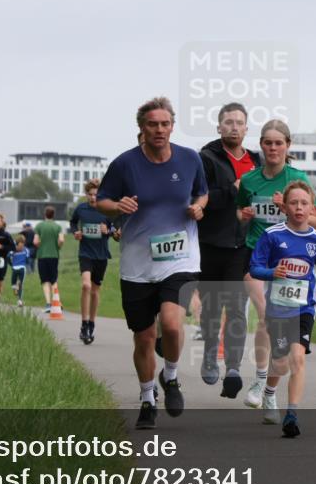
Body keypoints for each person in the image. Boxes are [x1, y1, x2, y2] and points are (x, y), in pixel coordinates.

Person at [97, 96, 208, 430]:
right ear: (141, 128)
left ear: (172, 126)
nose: (159, 129)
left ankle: (170, 377)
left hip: (180, 259)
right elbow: (101, 201)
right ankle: (147, 399)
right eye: (152, 124)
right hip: (138, 264)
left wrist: (199, 207)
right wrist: (117, 206)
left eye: (165, 124)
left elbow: (202, 192)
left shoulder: (190, 159)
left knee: (172, 324)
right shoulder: (124, 164)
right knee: (144, 337)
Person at [236, 120, 316, 413]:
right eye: (268, 143)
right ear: (261, 145)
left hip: (290, 263)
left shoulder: (297, 178)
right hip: (257, 256)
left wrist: (286, 208)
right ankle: (261, 380)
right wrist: (243, 215)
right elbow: (238, 212)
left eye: (278, 143)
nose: (273, 148)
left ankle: (271, 387)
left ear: (287, 146)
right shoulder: (249, 180)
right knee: (264, 315)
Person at [249, 181, 316, 437]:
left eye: (304, 203)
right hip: (277, 308)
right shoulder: (272, 235)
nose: (299, 207)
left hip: (304, 308)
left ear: (312, 209)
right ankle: (269, 392)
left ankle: (292, 414)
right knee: (280, 363)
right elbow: (255, 268)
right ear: (284, 207)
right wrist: (271, 273)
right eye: (294, 203)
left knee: (297, 357)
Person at [197, 101, 261, 397]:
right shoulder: (206, 158)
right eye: (228, 122)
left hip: (242, 246)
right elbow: (200, 198)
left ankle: (233, 368)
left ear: (246, 129)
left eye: (239, 123)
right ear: (219, 127)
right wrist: (232, 190)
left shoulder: (256, 162)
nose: (234, 127)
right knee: (211, 309)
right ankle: (210, 354)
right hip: (210, 244)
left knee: (236, 307)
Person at [70, 178, 119, 344]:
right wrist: (76, 232)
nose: (93, 197)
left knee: (95, 291)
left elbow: (115, 230)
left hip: (101, 255)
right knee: (86, 285)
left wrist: (108, 231)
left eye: (96, 195)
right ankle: (84, 324)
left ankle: (91, 323)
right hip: (85, 253)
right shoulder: (81, 209)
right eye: (90, 194)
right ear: (86, 194)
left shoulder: (106, 210)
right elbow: (73, 223)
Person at [36, 206, 65, 313]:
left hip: (42, 256)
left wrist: (40, 245)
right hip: (54, 256)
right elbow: (61, 240)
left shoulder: (39, 226)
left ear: (45, 214)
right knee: (53, 279)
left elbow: (35, 241)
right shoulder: (58, 227)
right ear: (53, 215)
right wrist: (58, 247)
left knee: (45, 281)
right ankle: (57, 301)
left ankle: (48, 304)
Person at [10, 236, 30, 306]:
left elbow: (8, 257)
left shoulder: (13, 250)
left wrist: (12, 264)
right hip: (21, 268)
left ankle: (19, 297)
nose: (21, 246)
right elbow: (27, 259)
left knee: (15, 283)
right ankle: (19, 299)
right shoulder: (26, 250)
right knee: (20, 284)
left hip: (16, 268)